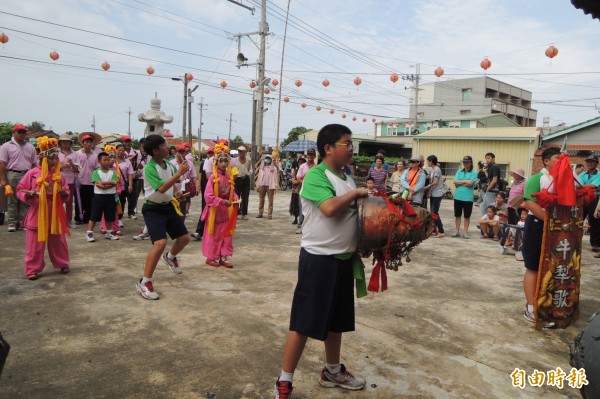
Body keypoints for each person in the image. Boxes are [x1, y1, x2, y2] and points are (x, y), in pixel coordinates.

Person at [273, 124, 368, 398]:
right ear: (329, 148)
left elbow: (352, 219)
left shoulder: (346, 177)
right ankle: (284, 380)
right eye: (346, 144)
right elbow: (328, 209)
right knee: (304, 322)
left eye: (351, 144)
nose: (351, 149)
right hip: (318, 260)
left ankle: (332, 371)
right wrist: (357, 193)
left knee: (337, 321)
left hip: (342, 260)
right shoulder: (316, 176)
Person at [136, 134, 190, 300]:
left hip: (168, 207)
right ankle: (145, 282)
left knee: (184, 239)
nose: (168, 148)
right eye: (164, 146)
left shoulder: (168, 165)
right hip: (153, 209)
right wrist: (180, 172)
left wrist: (177, 192)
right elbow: (160, 188)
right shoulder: (149, 168)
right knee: (160, 243)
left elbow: (170, 185)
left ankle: (170, 257)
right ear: (155, 151)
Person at [16, 137, 70, 280]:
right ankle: (32, 269)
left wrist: (64, 193)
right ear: (43, 158)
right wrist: (30, 195)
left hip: (55, 210)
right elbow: (21, 190)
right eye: (51, 158)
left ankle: (62, 263)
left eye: (55, 158)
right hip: (38, 210)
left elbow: (66, 191)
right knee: (35, 243)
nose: (53, 161)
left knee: (58, 240)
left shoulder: (59, 175)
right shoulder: (32, 173)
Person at [522, 147, 561, 325]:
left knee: (550, 268)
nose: (560, 160)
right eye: (556, 157)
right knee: (533, 267)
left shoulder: (561, 180)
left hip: (556, 228)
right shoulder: (537, 179)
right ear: (546, 161)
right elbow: (529, 202)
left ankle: (545, 305)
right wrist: (548, 220)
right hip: (537, 226)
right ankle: (530, 308)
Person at [202, 143, 238, 268]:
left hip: (226, 212)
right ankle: (211, 257)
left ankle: (224, 256)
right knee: (215, 236)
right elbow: (208, 197)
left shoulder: (229, 176)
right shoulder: (213, 177)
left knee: (226, 235)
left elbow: (232, 192)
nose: (223, 163)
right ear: (216, 163)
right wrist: (223, 202)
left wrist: (235, 198)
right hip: (215, 212)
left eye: (225, 161)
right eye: (220, 161)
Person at [0, 124, 38, 232]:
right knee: (12, 199)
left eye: (24, 132)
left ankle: (23, 222)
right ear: (13, 133)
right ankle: (12, 222)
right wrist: (3, 179)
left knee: (25, 199)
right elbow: (2, 164)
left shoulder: (30, 147)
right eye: (19, 132)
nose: (22, 134)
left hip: (27, 174)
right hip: (12, 174)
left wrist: (34, 178)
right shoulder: (6, 146)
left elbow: (34, 164)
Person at [85, 152, 120, 242]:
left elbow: (115, 183)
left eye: (108, 160)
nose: (107, 162)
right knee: (94, 216)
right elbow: (98, 184)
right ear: (99, 161)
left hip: (110, 196)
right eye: (104, 160)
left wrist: (104, 184)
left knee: (110, 216)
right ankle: (89, 233)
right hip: (99, 197)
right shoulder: (96, 172)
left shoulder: (113, 172)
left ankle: (109, 232)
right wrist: (110, 183)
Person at [72, 132, 101, 224]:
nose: (88, 144)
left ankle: (87, 218)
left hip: (91, 182)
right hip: (80, 181)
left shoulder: (95, 155)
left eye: (90, 142)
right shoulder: (77, 154)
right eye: (86, 142)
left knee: (90, 202)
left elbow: (97, 168)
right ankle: (78, 218)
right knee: (79, 201)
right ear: (83, 143)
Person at [577, 155, 600, 252]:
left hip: (595, 198)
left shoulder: (599, 174)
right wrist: (590, 187)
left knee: (595, 220)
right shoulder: (582, 174)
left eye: (592, 161)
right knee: (578, 219)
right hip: (582, 198)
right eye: (588, 161)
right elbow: (578, 186)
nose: (590, 163)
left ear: (596, 163)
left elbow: (594, 186)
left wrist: (585, 187)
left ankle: (596, 244)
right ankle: (576, 241)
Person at [57, 133, 80, 228]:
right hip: (58, 180)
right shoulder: (56, 153)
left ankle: (69, 221)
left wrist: (72, 165)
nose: (65, 143)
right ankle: (58, 220)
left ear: (70, 143)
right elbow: (51, 168)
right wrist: (61, 167)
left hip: (70, 181)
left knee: (69, 201)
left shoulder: (74, 154)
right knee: (58, 201)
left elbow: (77, 170)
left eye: (67, 141)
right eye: (63, 141)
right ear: (60, 143)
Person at [452, 155, 478, 238]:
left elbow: (471, 183)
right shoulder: (459, 171)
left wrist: (460, 182)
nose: (465, 163)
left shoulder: (474, 173)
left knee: (467, 216)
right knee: (457, 215)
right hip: (458, 196)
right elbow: (455, 181)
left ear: (470, 163)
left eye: (467, 162)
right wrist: (465, 182)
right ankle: (457, 231)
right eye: (464, 162)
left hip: (468, 198)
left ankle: (466, 232)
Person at [191, 148, 214, 241]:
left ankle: (207, 232)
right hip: (206, 190)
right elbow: (200, 176)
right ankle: (200, 231)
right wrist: (198, 186)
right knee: (205, 209)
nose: (210, 155)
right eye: (209, 153)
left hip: (216, 191)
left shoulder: (220, 163)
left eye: (212, 153)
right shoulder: (204, 163)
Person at [295, 148, 317, 233]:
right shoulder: (302, 166)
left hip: (314, 191)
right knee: (302, 208)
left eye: (312, 154)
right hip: (304, 190)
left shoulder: (317, 167)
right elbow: (298, 177)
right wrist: (304, 182)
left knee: (313, 209)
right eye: (309, 154)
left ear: (314, 156)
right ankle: (300, 225)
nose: (310, 156)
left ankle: (311, 227)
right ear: (306, 156)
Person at [122, 135, 143, 219]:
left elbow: (140, 167)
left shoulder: (136, 153)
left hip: (133, 177)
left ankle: (131, 213)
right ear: (122, 142)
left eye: (129, 141)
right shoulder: (120, 152)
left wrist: (140, 165)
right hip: (122, 177)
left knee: (133, 196)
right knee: (122, 197)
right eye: (126, 141)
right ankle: (120, 214)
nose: (128, 143)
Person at [425, 155, 445, 237]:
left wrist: (427, 187)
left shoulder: (436, 169)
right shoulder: (433, 170)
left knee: (434, 213)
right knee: (433, 212)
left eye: (428, 161)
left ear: (431, 161)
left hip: (437, 194)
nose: (427, 163)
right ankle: (434, 229)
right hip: (433, 193)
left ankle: (441, 231)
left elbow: (435, 182)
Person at [255, 153, 278, 220]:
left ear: (271, 160)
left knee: (270, 201)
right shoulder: (262, 168)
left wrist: (276, 187)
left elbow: (275, 178)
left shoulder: (273, 169)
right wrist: (258, 186)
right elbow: (259, 177)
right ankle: (260, 213)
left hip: (270, 186)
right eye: (266, 159)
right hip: (262, 185)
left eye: (269, 159)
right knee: (261, 200)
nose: (267, 160)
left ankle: (270, 214)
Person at [232, 145, 251, 220]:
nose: (241, 153)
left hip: (246, 179)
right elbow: (232, 169)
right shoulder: (235, 160)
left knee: (245, 197)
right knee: (236, 197)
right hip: (237, 179)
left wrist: (249, 173)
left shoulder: (248, 160)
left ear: (245, 152)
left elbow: (250, 168)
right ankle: (235, 213)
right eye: (239, 151)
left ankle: (244, 213)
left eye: (242, 151)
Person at [480, 152, 501, 217]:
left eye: (489, 158)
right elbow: (488, 178)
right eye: (486, 158)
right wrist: (485, 171)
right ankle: (484, 221)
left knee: (490, 207)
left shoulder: (495, 166)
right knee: (483, 206)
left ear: (493, 158)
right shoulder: (490, 166)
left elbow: (495, 180)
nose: (487, 160)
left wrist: (487, 189)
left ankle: (490, 223)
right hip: (489, 190)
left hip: (492, 190)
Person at [289, 158, 306, 225]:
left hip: (304, 190)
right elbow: (293, 181)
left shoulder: (306, 171)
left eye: (302, 162)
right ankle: (296, 218)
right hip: (296, 190)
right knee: (295, 204)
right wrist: (300, 181)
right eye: (299, 163)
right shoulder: (295, 171)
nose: (300, 164)